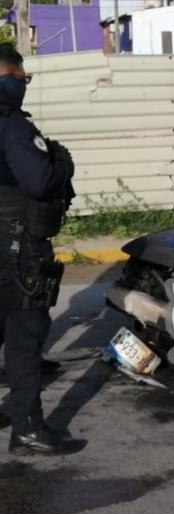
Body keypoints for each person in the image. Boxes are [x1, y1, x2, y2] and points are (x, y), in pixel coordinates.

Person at [0, 45, 85, 455]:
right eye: (19, 79)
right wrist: (61, 162)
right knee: (24, 337)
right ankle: (29, 428)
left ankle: (15, 410)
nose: (22, 86)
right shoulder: (12, 126)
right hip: (17, 249)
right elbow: (39, 182)